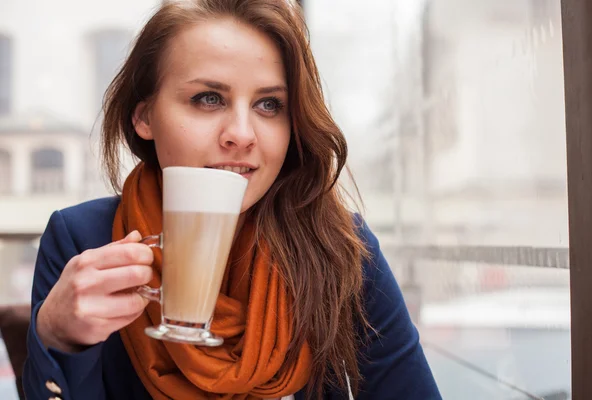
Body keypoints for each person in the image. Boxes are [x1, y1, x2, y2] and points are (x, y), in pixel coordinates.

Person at [22, 0, 442, 399]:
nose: (242, 133)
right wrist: (55, 335)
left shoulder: (339, 246)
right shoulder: (82, 239)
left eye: (269, 104)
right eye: (208, 98)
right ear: (145, 117)